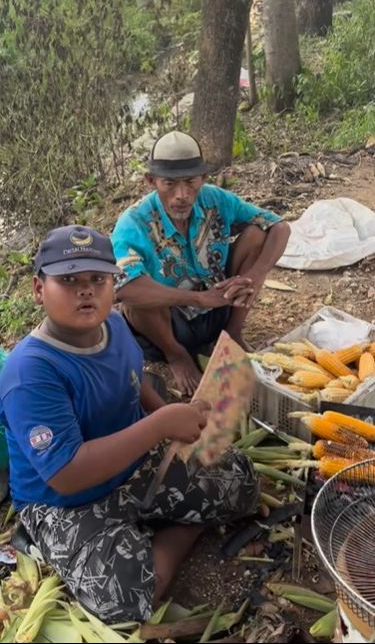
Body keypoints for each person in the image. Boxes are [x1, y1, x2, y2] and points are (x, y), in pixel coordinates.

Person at [0, 225, 259, 624]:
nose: (85, 290)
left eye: (97, 279)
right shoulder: (30, 373)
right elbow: (67, 474)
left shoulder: (116, 326)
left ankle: (153, 523)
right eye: (68, 280)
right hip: (64, 501)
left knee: (242, 484)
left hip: (133, 462)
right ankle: (170, 526)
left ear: (113, 286)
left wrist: (164, 419)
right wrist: (160, 426)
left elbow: (133, 384)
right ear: (39, 289)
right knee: (125, 599)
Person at [111, 130, 290, 396]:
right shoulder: (134, 222)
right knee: (136, 296)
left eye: (190, 182)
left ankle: (231, 334)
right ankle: (177, 357)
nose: (182, 194)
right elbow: (123, 289)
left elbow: (279, 227)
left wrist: (251, 277)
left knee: (256, 235)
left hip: (220, 305)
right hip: (167, 326)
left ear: (203, 178)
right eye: (169, 184)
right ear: (151, 181)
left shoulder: (216, 200)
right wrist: (199, 299)